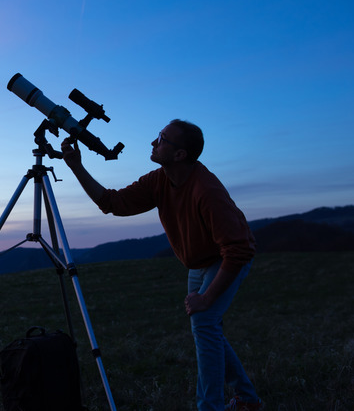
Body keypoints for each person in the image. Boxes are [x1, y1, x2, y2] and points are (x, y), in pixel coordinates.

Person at [60, 119, 263, 411]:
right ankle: (248, 400)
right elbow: (112, 203)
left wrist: (207, 297)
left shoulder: (206, 191)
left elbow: (238, 250)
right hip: (198, 263)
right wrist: (75, 166)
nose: (154, 143)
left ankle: (211, 407)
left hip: (226, 259)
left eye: (162, 139)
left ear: (180, 154)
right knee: (207, 327)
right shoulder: (159, 180)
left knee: (204, 320)